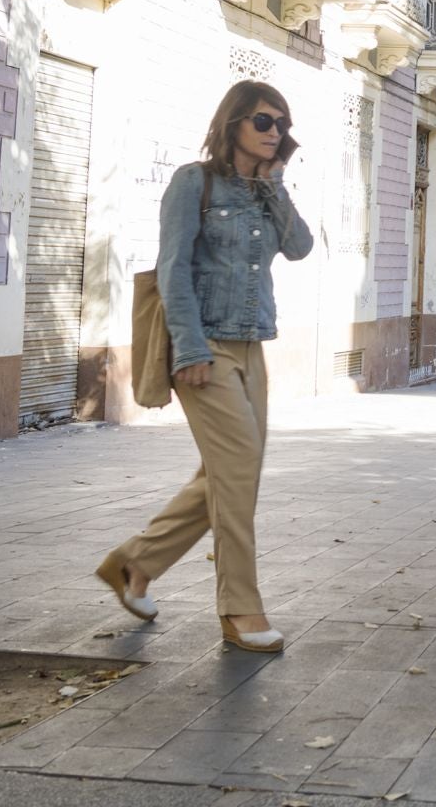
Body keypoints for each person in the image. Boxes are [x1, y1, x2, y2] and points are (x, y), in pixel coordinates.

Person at [96, 81, 313, 653]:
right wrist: (189, 349)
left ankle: (135, 563)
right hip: (206, 348)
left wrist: (275, 185)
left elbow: (299, 247)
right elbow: (172, 269)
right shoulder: (193, 182)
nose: (274, 132)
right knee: (238, 473)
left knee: (231, 473)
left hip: (251, 346)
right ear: (233, 122)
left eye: (281, 125)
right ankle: (240, 608)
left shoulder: (264, 189)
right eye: (263, 121)